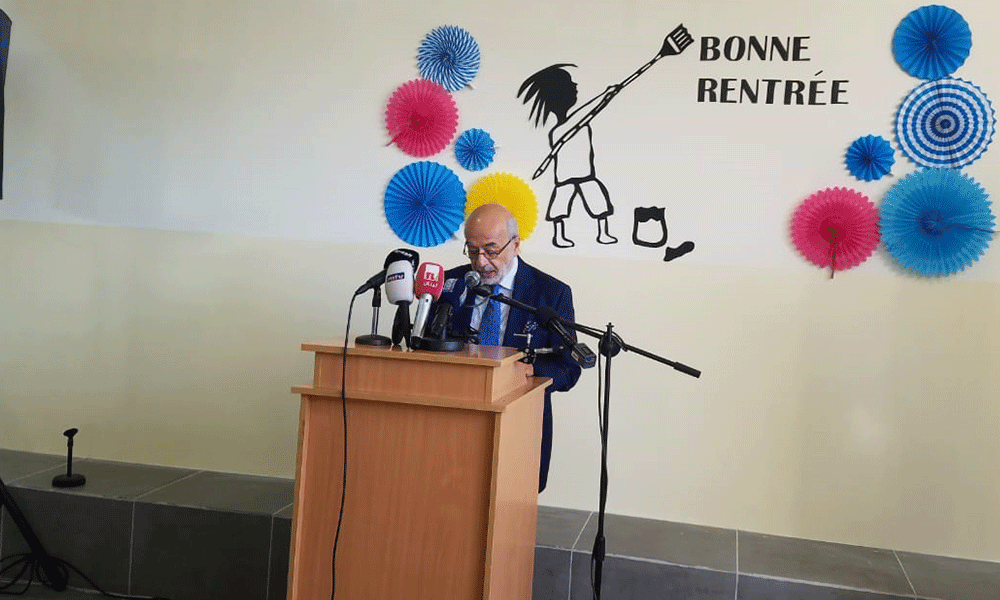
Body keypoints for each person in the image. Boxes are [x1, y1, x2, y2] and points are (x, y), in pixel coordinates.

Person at [433, 203, 582, 492]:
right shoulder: (451, 285)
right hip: (454, 420)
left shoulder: (550, 294)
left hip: (519, 423)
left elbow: (569, 369)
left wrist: (530, 371)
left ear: (515, 245)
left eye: (491, 250)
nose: (481, 262)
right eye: (472, 251)